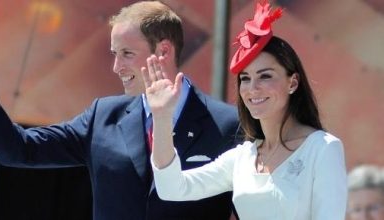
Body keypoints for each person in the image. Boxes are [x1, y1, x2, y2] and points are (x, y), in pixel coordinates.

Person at [0, 1, 240, 219]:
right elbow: (19, 150)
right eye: (114, 54)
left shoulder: (227, 124)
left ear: (163, 51)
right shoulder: (103, 117)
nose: (116, 67)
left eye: (127, 54)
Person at [144, 1, 347, 219]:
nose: (253, 88)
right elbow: (171, 188)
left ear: (293, 82)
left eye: (265, 76)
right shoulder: (243, 157)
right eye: (245, 78)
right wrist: (162, 117)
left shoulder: (323, 148)